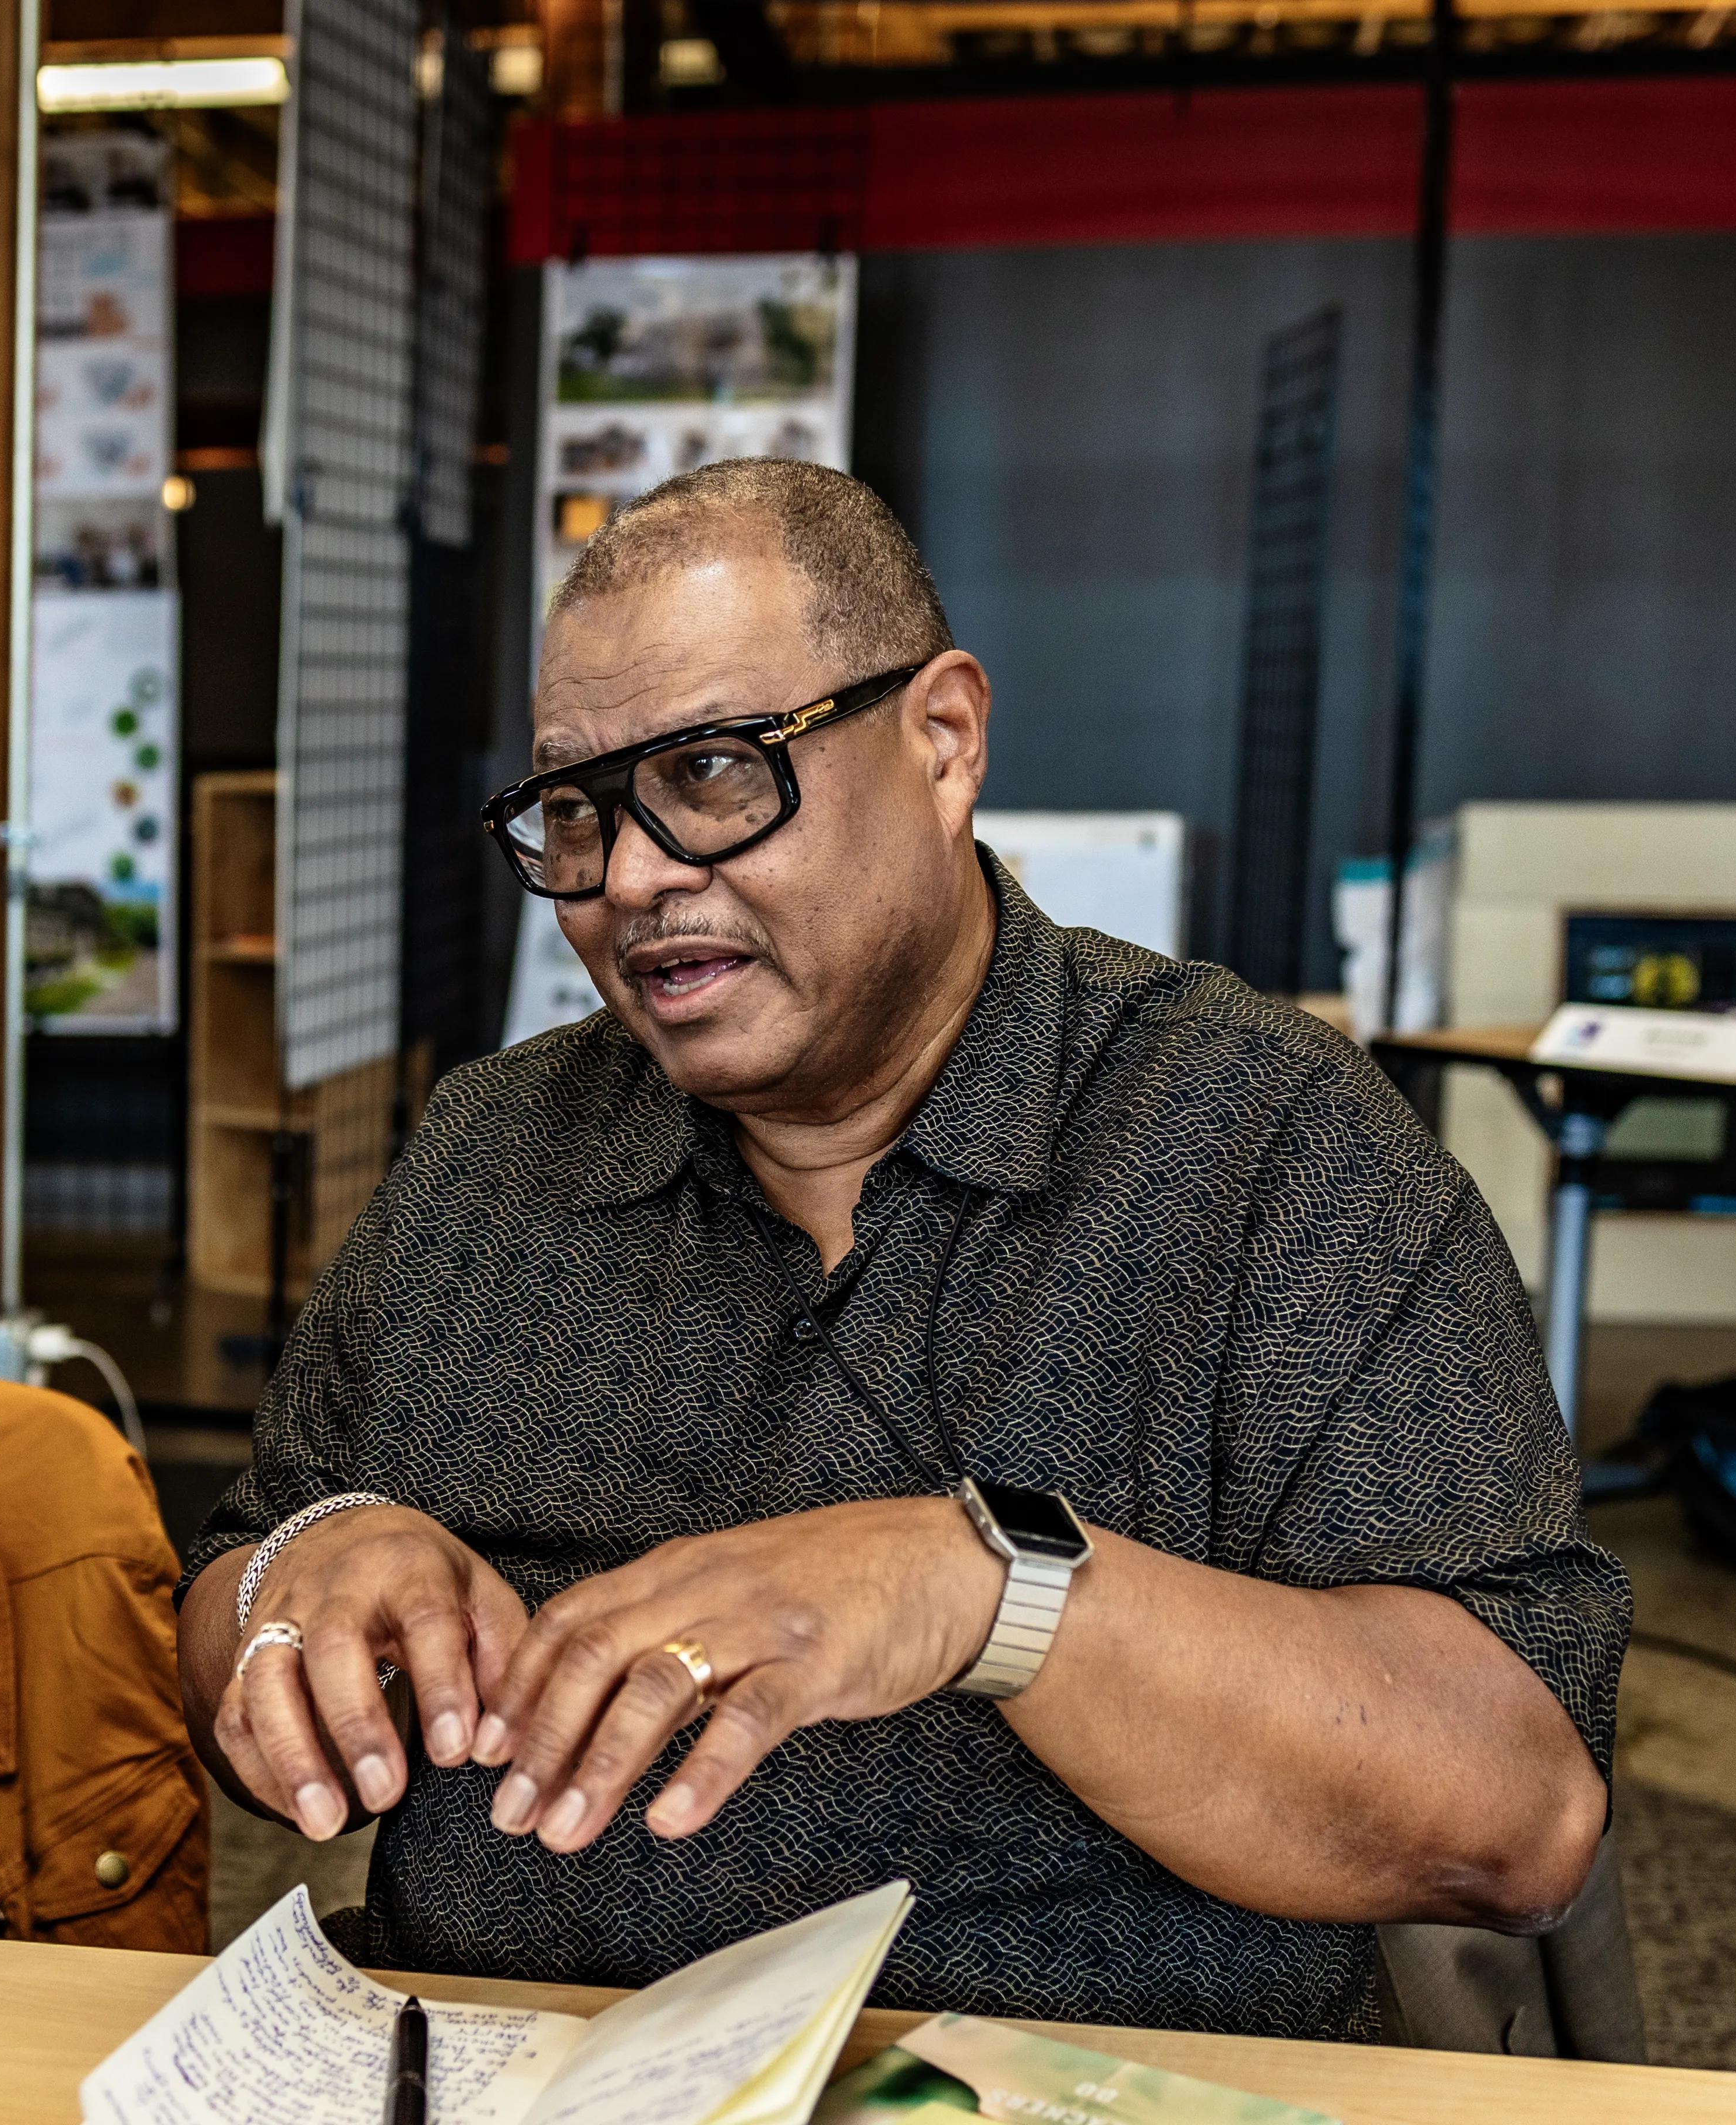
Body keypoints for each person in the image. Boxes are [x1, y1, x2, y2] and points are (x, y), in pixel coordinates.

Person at [179, 460, 1628, 2038]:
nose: (640, 879)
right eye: (581, 812)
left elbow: (1517, 1815)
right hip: (502, 2064)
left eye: (720, 773)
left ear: (943, 742)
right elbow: (226, 1609)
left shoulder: (1260, 1143)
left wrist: (989, 1592)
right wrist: (292, 1585)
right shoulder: (493, 1148)